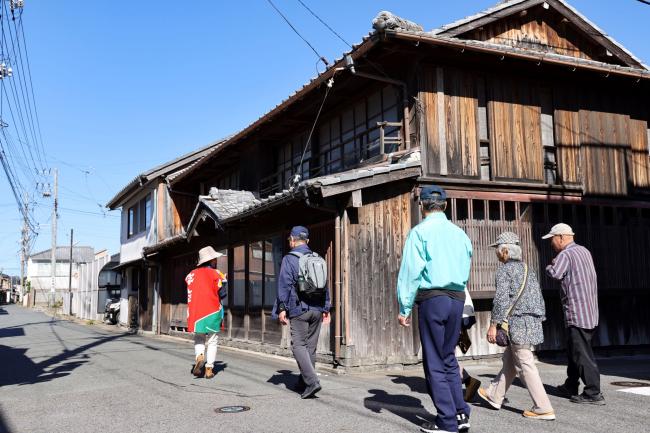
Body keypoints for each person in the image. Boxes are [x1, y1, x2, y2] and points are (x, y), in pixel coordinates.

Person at [396, 185, 473, 433]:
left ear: (422, 206)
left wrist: (404, 306)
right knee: (448, 357)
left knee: (434, 361)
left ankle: (447, 421)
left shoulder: (419, 233)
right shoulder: (460, 234)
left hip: (433, 298)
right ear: (446, 206)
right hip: (457, 297)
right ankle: (461, 414)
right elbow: (466, 266)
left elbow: (410, 272)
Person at [477, 231, 555, 420]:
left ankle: (543, 407)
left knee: (525, 363)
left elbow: (501, 300)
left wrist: (493, 324)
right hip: (531, 320)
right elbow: (538, 298)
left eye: (497, 249)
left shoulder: (504, 270)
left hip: (518, 321)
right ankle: (495, 395)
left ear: (504, 251)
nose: (496, 252)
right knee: (511, 360)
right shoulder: (528, 269)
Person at [544, 223, 604, 405]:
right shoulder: (584, 251)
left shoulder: (566, 254)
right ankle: (571, 384)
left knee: (581, 353)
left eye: (552, 240)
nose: (551, 244)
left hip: (577, 311)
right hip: (589, 310)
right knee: (573, 350)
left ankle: (593, 393)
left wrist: (549, 265)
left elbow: (554, 273)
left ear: (561, 237)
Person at [272, 226, 331, 399]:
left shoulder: (290, 259)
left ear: (292, 240)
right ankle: (304, 381)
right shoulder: (317, 258)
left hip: (299, 308)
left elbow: (285, 284)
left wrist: (282, 308)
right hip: (317, 309)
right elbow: (325, 284)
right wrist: (326, 307)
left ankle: (312, 382)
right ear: (308, 241)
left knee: (298, 345)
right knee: (310, 348)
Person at [186, 246, 227, 379]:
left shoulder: (191, 275)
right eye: (215, 258)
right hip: (212, 310)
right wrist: (224, 281)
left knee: (199, 337)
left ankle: (199, 356)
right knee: (213, 340)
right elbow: (223, 293)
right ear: (211, 260)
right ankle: (209, 369)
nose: (216, 260)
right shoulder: (216, 274)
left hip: (196, 312)